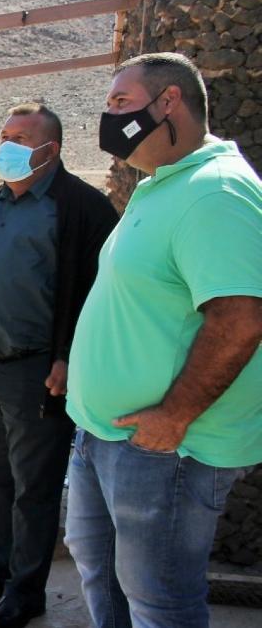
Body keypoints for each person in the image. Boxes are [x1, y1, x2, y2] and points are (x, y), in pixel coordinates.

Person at [64, 52, 262, 628]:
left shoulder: (216, 192)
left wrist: (173, 416)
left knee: (160, 603)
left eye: (120, 103)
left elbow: (241, 318)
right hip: (107, 435)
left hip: (166, 451)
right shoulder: (163, 185)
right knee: (105, 579)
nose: (110, 118)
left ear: (168, 102)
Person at [0, 103, 118, 628]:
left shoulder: (81, 208)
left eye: (22, 138)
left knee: (35, 488)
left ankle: (27, 593)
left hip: (39, 373)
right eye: (5, 135)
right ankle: (0, 573)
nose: (10, 146)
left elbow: (103, 296)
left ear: (53, 149)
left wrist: (70, 357)